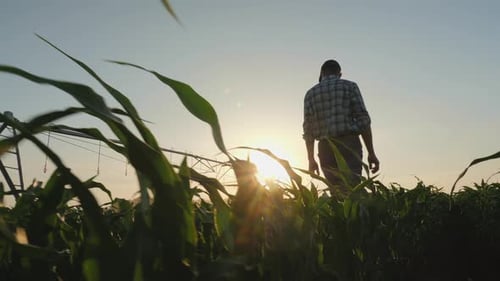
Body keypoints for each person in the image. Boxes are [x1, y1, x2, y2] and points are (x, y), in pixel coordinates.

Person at [303, 59, 379, 195]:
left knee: (336, 191)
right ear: (339, 73)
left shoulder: (310, 94)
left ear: (322, 74)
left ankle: (339, 215)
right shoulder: (350, 86)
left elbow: (308, 130)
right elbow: (363, 120)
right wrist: (371, 153)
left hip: (326, 147)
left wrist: (311, 159)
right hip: (349, 144)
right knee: (352, 189)